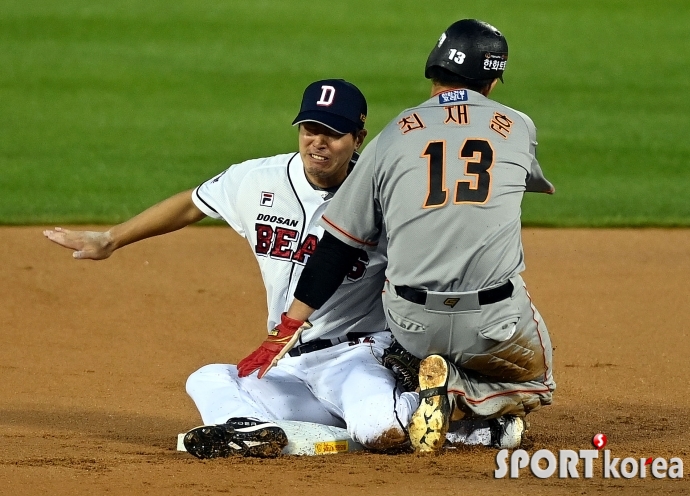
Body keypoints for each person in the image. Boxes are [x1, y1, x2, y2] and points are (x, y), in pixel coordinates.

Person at [43, 79, 420, 458]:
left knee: (380, 432)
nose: (318, 142)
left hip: (357, 358)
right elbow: (193, 203)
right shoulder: (258, 180)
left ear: (358, 139)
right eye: (310, 129)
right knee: (207, 378)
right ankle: (252, 431)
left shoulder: (382, 195)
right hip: (289, 365)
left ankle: (441, 407)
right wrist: (110, 239)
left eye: (333, 134)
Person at [241, 20, 556, 453]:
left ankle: (419, 372)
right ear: (494, 78)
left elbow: (337, 245)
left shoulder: (390, 136)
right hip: (492, 323)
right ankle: (459, 395)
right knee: (538, 383)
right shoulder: (519, 127)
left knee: (407, 296)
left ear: (433, 69)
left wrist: (290, 324)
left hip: (410, 323)